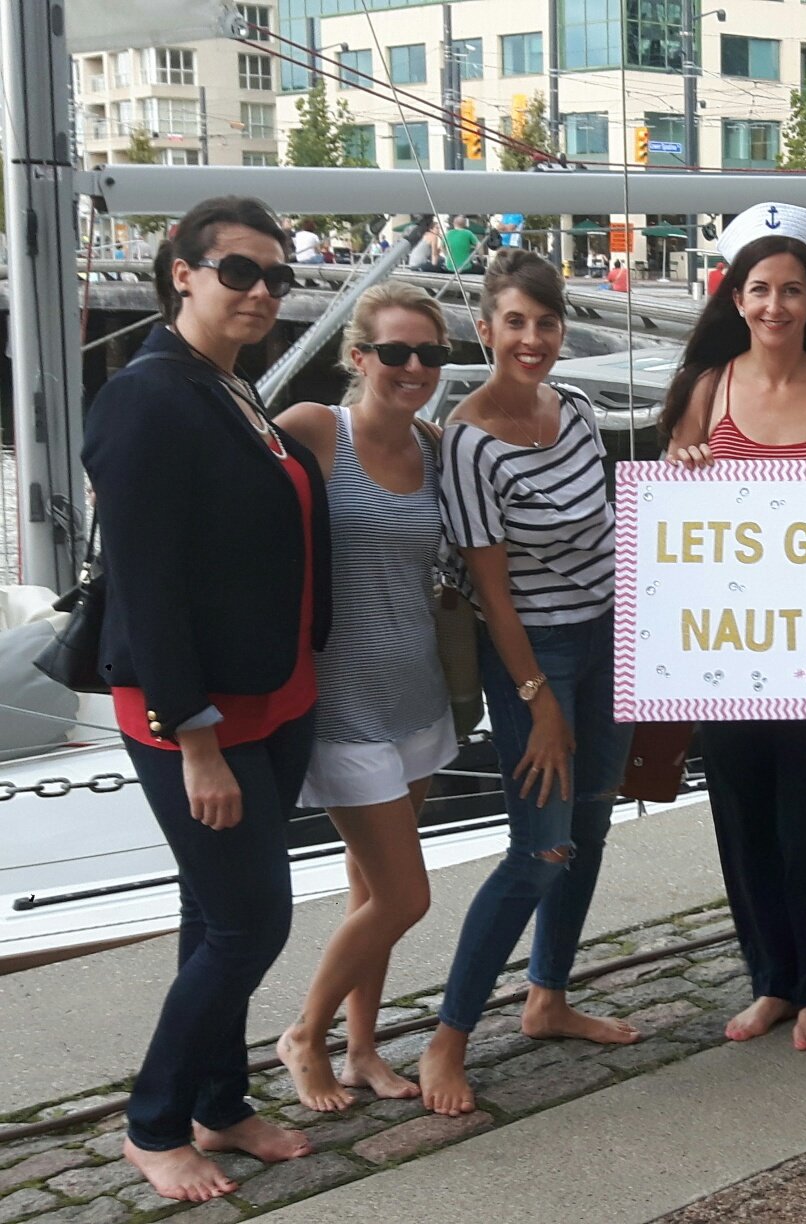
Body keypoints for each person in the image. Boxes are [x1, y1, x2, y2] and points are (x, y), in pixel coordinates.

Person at [82, 196, 326, 1201]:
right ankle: (154, 1121)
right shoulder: (149, 398)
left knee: (210, 912)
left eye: (278, 277)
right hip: (199, 715)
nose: (264, 291)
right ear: (180, 272)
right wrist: (195, 739)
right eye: (239, 271)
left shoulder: (229, 391)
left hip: (274, 695)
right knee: (249, 924)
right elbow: (147, 581)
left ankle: (220, 1103)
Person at [661, 204, 806, 1052]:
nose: (776, 306)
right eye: (760, 289)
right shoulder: (704, 391)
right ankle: (772, 981)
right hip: (729, 654)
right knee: (745, 826)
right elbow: (676, 530)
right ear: (737, 297)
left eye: (794, 290)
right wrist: (679, 466)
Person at [418, 248, 638, 1116]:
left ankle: (548, 996)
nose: (535, 339)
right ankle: (449, 1037)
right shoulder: (467, 442)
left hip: (610, 638)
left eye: (547, 323)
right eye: (517, 322)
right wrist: (537, 700)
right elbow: (492, 592)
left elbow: (616, 533)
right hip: (537, 654)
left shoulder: (577, 410)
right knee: (538, 850)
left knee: (587, 828)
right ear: (487, 328)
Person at [271, 283, 457, 1112]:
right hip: (342, 705)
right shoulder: (317, 431)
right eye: (395, 352)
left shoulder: (434, 445)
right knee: (404, 896)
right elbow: (235, 510)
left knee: (367, 890)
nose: (414, 367)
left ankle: (362, 1049)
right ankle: (302, 1036)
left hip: (416, 692)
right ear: (359, 358)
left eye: (430, 353)